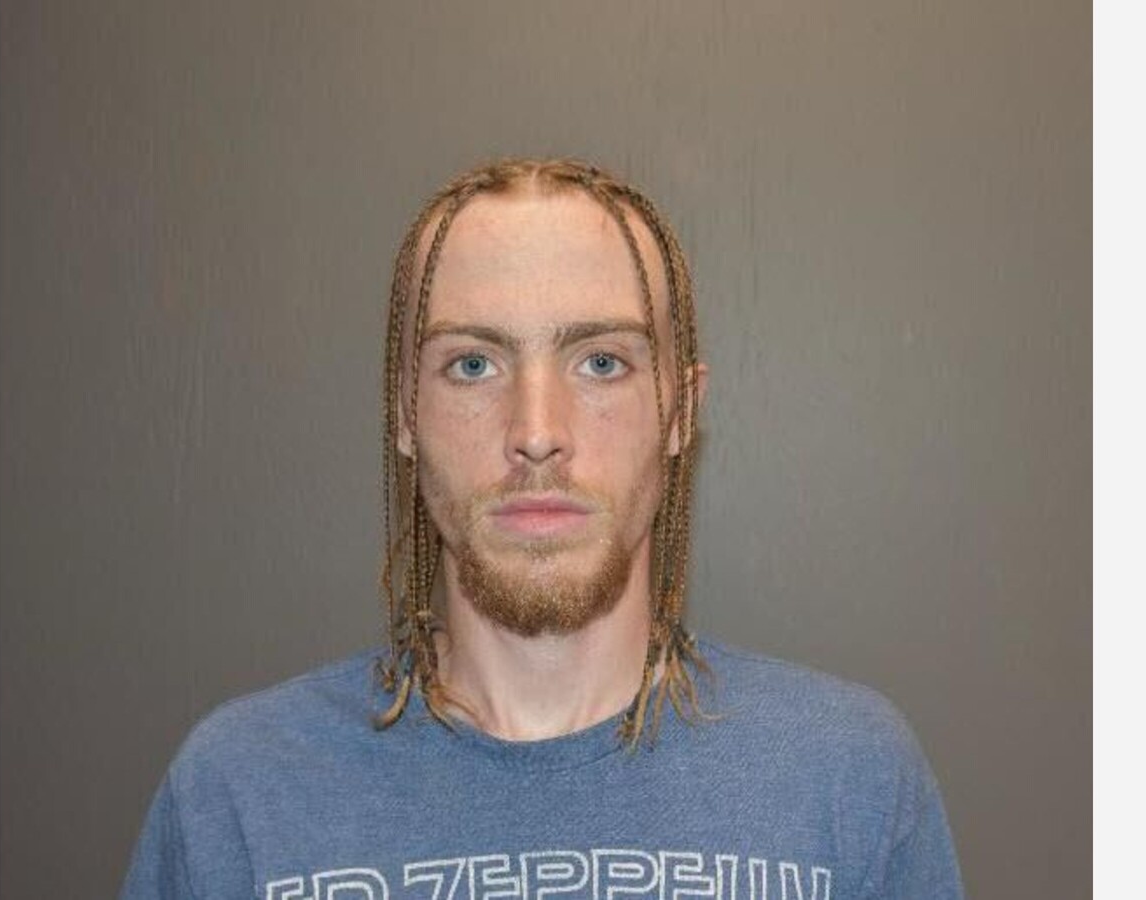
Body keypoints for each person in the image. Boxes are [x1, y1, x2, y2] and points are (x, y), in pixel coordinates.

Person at [121, 158, 964, 900]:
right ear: (406, 414)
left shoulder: (846, 780)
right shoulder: (239, 794)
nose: (535, 431)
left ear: (680, 410)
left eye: (601, 362)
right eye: (472, 364)